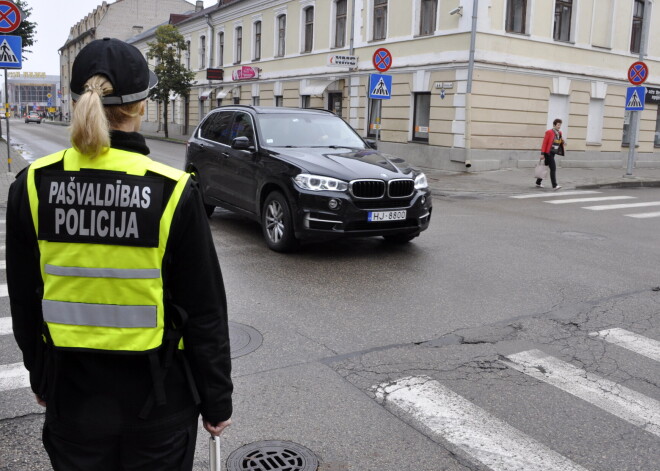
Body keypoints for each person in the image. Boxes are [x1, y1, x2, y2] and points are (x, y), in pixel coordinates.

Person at [6, 38, 233, 471]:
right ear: (142, 105)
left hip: (72, 400)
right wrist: (216, 400)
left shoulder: (32, 185)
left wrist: (40, 375)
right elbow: (204, 311)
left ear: (76, 103)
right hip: (159, 402)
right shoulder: (173, 191)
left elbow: (24, 299)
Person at [536, 118, 565, 190]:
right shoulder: (549, 132)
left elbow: (559, 140)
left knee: (544, 167)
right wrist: (542, 153)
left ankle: (538, 182)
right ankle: (554, 185)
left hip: (553, 153)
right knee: (553, 168)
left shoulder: (559, 133)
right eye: (558, 125)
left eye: (560, 125)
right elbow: (544, 143)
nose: (559, 126)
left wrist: (563, 142)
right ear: (554, 125)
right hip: (548, 153)